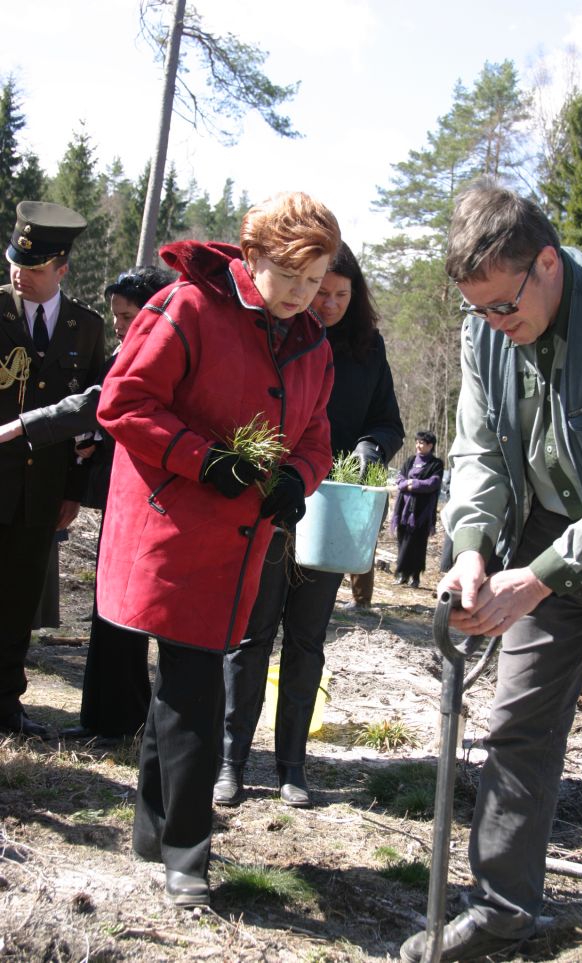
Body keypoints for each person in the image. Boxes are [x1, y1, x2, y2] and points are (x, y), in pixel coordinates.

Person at [399, 179, 582, 963]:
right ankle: (504, 912)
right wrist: (470, 544)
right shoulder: (486, 328)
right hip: (547, 540)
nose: (497, 326)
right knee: (517, 727)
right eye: (480, 312)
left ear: (546, 262)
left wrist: (534, 577)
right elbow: (477, 450)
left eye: (506, 306)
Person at [95, 192, 340, 908]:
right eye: (289, 276)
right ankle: (187, 857)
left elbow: (317, 436)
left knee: (185, 681)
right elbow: (124, 400)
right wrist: (203, 458)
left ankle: (152, 829)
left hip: (243, 542)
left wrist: (297, 479)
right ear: (253, 255)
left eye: (315, 279)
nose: (302, 294)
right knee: (196, 686)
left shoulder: (314, 345)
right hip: (174, 529)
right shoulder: (188, 306)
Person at [213, 241, 404, 810]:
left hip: (333, 507)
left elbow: (387, 423)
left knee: (307, 638)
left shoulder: (367, 352)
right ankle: (231, 760)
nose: (328, 303)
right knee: (252, 635)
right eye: (321, 291)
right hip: (270, 502)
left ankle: (292, 766)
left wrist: (370, 449)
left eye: (342, 294)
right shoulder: (279, 339)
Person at [0, 268, 175, 737]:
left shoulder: (163, 351)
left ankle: (125, 720)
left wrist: (27, 427)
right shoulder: (131, 348)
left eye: (126, 315)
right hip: (118, 495)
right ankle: (108, 718)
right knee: (110, 609)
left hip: (152, 500)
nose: (118, 324)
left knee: (130, 613)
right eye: (115, 315)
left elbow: (98, 401)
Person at [0, 201, 104, 739]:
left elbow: (91, 420)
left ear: (62, 267)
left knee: (18, 600)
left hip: (42, 493)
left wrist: (76, 491)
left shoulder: (86, 328)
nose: (20, 273)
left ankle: (6, 705)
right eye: (15, 260)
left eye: (35, 267)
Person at [391, 430, 443, 588]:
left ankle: (415, 576)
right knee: (402, 541)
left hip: (422, 512)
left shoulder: (436, 464)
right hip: (404, 510)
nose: (418, 445)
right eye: (417, 442)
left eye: (422, 443)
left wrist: (413, 484)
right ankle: (402, 575)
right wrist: (407, 483)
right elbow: (400, 479)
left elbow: (433, 483)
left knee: (418, 545)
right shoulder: (410, 460)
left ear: (430, 445)